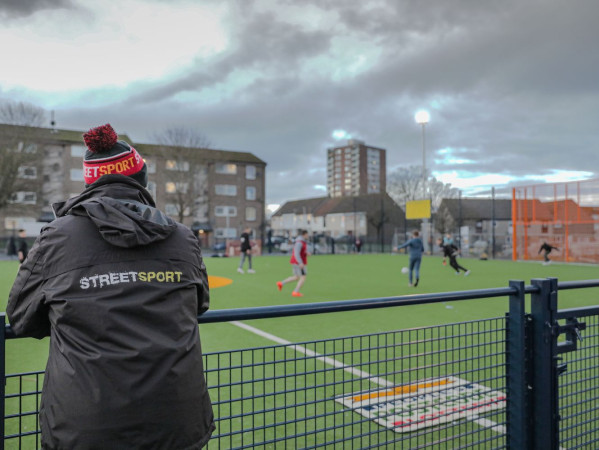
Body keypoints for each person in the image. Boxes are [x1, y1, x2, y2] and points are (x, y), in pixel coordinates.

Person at [7, 124, 214, 449]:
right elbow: (199, 304)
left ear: (91, 182)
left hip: (86, 426)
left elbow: (20, 318)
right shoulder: (183, 237)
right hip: (177, 420)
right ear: (141, 179)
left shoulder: (57, 236)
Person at [277, 229, 309, 297]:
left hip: (296, 261)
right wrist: (300, 262)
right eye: (307, 234)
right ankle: (295, 292)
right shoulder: (299, 242)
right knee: (303, 277)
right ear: (304, 234)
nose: (308, 236)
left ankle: (281, 283)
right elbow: (296, 253)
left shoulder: (302, 242)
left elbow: (300, 251)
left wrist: (306, 253)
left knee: (296, 277)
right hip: (298, 262)